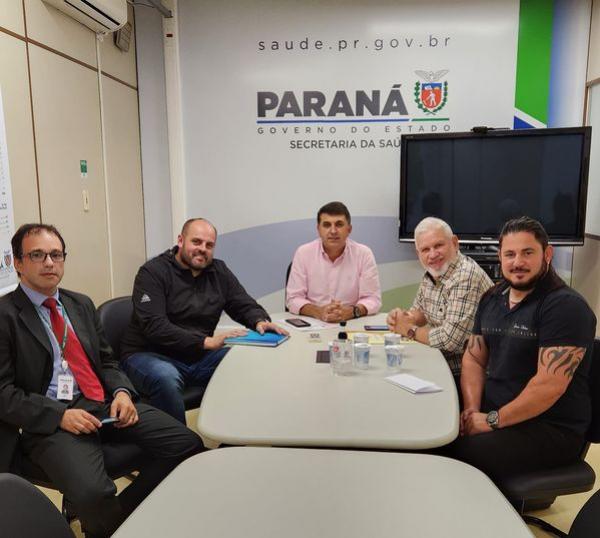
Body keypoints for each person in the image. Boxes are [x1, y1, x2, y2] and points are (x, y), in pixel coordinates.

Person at [0, 223, 203, 538]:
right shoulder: (5, 316)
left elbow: (107, 361)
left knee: (187, 445)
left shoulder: (80, 304)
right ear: (18, 263)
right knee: (94, 494)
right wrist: (60, 415)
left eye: (56, 254)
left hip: (102, 403)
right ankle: (109, 525)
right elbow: (3, 394)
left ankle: (118, 523)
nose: (49, 263)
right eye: (37, 255)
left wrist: (122, 392)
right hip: (51, 419)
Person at [448, 217, 596, 486]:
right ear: (500, 257)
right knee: (433, 426)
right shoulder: (492, 298)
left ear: (547, 254)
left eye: (528, 253)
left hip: (550, 429)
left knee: (455, 454)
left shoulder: (566, 307)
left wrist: (490, 421)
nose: (518, 262)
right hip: (495, 412)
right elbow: (474, 357)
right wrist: (471, 411)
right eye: (510, 254)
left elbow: (548, 386)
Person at [121, 218, 286, 423]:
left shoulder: (219, 271)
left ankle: (234, 432)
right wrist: (206, 342)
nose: (203, 249)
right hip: (150, 354)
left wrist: (259, 320)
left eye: (209, 245)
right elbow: (155, 326)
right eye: (196, 242)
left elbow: (242, 303)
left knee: (246, 361)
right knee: (166, 377)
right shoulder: (153, 272)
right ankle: (179, 442)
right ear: (180, 240)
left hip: (197, 356)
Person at [387, 217, 493, 381]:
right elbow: (421, 312)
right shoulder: (433, 273)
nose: (433, 254)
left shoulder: (466, 275)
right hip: (441, 362)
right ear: (418, 254)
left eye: (438, 246)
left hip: (468, 375)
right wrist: (403, 317)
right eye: (425, 249)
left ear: (455, 243)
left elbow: (450, 340)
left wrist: (409, 330)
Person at [286, 201, 381, 322]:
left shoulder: (364, 254)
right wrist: (318, 312)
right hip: (313, 322)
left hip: (351, 322)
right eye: (326, 225)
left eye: (339, 224)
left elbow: (373, 299)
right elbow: (293, 299)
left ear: (349, 229)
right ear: (318, 229)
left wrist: (351, 312)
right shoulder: (303, 253)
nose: (333, 231)